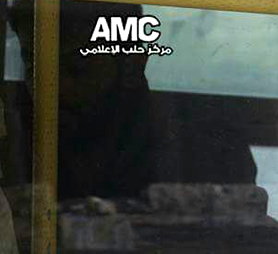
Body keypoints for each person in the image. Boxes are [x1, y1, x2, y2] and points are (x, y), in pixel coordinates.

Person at [8, 0, 257, 201]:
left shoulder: (205, 149)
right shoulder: (14, 140)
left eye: (76, 67)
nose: (52, 89)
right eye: (33, 65)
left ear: (132, 62)